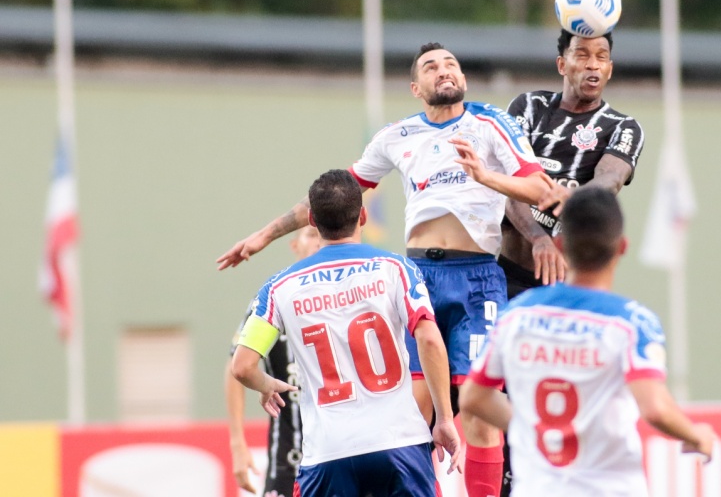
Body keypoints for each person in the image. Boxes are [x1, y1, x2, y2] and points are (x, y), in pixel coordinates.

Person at [219, 44, 566, 497]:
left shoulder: (491, 123)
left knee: (480, 408)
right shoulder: (396, 136)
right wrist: (265, 235)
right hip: (420, 275)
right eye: (431, 66)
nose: (444, 71)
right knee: (413, 412)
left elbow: (542, 189)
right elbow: (336, 195)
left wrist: (487, 179)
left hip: (477, 279)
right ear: (415, 88)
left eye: (451, 64)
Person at [459, 187, 715, 496]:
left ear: (560, 245)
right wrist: (697, 434)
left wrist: (532, 428)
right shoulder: (630, 323)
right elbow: (655, 409)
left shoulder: (517, 314)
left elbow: (473, 397)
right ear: (621, 247)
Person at [231, 169, 462, 497]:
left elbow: (241, 367)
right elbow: (427, 338)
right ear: (363, 216)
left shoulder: (278, 287)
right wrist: (445, 418)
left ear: (311, 220)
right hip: (400, 444)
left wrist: (266, 385)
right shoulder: (397, 269)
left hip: (328, 452)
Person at [500, 29, 644, 297]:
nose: (593, 64)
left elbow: (610, 179)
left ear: (609, 69)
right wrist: (538, 238)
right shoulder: (529, 106)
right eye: (582, 54)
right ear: (562, 65)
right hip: (507, 275)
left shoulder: (623, 127)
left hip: (566, 285)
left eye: (602, 57)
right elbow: (511, 184)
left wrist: (574, 196)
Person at [224, 225, 320, 497]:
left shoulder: (343, 294)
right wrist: (237, 443)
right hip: (287, 463)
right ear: (295, 245)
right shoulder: (275, 298)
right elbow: (236, 364)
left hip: (338, 456)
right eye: (311, 235)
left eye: (322, 237)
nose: (318, 243)